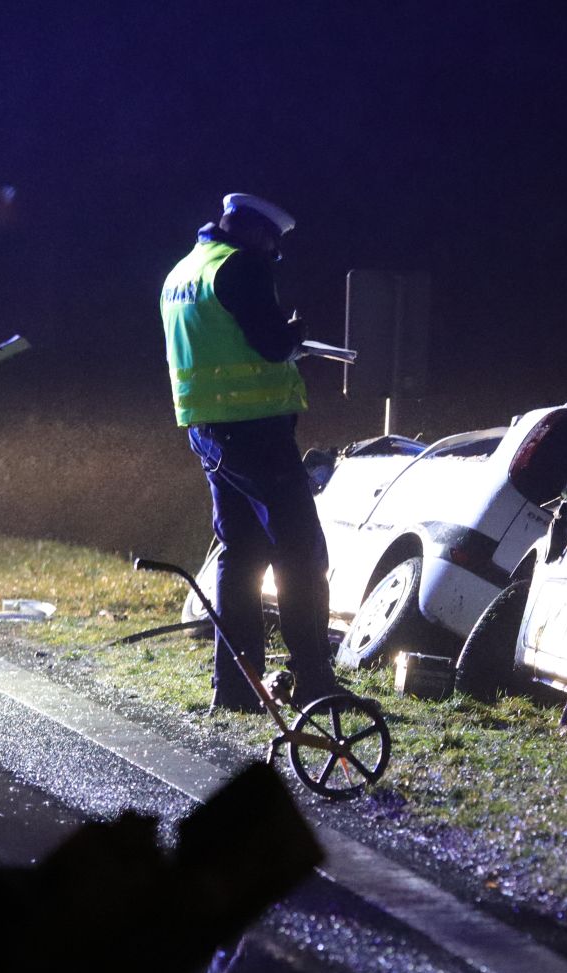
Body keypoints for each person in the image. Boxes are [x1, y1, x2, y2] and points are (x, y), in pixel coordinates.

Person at [159, 193, 340, 711]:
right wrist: (294, 335)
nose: (273, 257)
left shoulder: (183, 272)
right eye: (273, 247)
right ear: (259, 234)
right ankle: (313, 679)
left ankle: (236, 688)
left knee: (240, 554)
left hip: (209, 433)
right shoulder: (242, 267)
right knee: (303, 552)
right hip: (257, 433)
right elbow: (270, 344)